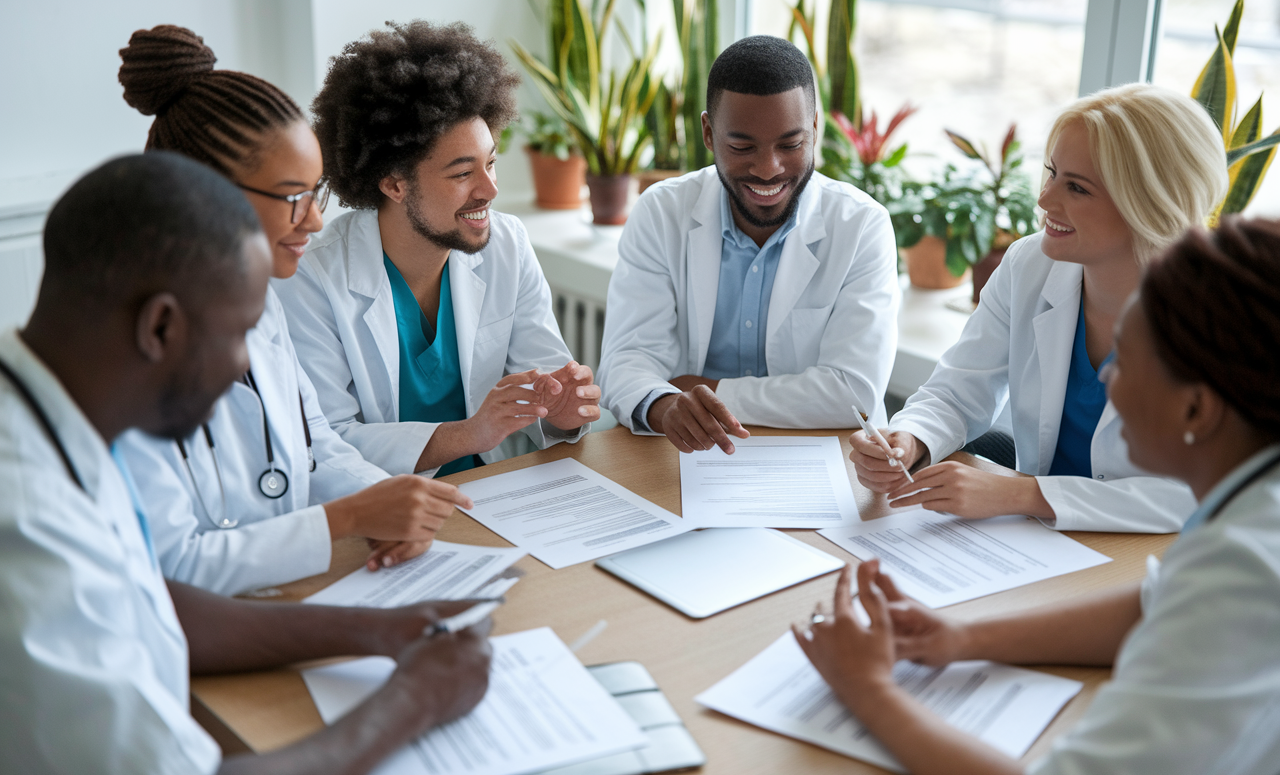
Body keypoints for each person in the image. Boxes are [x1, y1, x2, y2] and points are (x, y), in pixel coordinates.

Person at [0, 152, 491, 775]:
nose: (247, 368)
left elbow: (147, 597)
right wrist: (417, 700)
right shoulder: (28, 518)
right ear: (161, 327)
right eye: (238, 336)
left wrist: (376, 629)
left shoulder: (49, 416)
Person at [796, 215, 1280, 775]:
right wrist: (959, 636)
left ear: (1197, 411)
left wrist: (868, 689)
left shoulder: (1248, 570)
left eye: (1125, 360)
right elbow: (1155, 604)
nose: (1103, 375)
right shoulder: (1250, 515)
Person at [111, 25, 469, 596]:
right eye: (292, 198)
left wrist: (384, 501)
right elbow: (171, 568)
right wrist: (346, 521)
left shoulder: (258, 303)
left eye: (316, 192)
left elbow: (313, 445)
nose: (316, 221)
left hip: (285, 592)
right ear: (203, 194)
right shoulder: (123, 353)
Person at [850, 83, 1227, 532]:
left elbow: (1210, 492)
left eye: (1076, 188)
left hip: (1156, 559)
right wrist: (911, 438)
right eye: (1051, 173)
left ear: (1145, 204)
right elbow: (959, 388)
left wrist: (1024, 493)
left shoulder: (1223, 314)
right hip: (1039, 542)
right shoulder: (1030, 263)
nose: (1044, 200)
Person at [275, 21, 600, 479]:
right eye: (462, 173)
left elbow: (546, 383)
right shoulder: (312, 275)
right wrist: (471, 433)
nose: (490, 189)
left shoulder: (507, 243)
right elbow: (326, 441)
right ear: (393, 183)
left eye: (491, 162)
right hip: (390, 510)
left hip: (495, 492)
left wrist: (563, 411)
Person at [596, 35, 899, 455]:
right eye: (741, 147)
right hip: (687, 458)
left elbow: (853, 393)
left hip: (821, 462)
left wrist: (704, 392)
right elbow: (626, 361)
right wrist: (666, 406)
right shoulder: (661, 211)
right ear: (707, 132)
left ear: (815, 129)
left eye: (791, 145)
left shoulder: (862, 224)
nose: (768, 169)